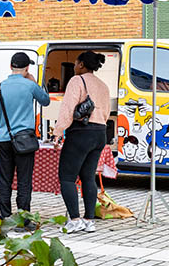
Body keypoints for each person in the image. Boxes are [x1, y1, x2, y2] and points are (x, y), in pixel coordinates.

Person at [0, 52, 50, 228]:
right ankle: (24, 218)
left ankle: (5, 216)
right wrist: (33, 81)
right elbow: (45, 101)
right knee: (24, 180)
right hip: (25, 140)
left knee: (4, 179)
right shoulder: (30, 86)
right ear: (27, 68)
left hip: (4, 141)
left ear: (10, 67)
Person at [52, 51, 110, 233]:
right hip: (100, 133)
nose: (74, 67)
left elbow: (68, 108)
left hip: (81, 133)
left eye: (76, 63)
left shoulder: (77, 81)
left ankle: (75, 219)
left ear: (82, 65)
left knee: (67, 177)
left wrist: (58, 131)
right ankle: (89, 220)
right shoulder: (103, 85)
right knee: (88, 176)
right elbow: (106, 113)